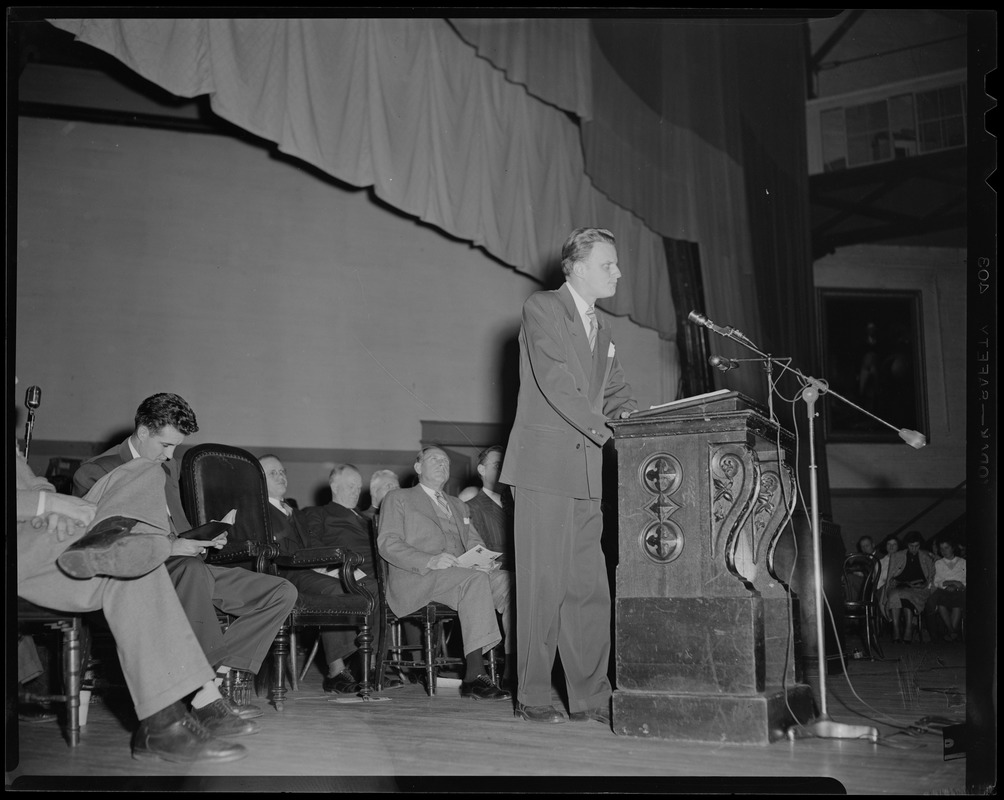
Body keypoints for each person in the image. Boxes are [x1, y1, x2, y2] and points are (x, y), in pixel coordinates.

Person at [72, 393, 297, 721]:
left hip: (188, 566)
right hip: (144, 574)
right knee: (192, 570)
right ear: (144, 432)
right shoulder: (96, 471)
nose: (170, 455)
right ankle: (205, 695)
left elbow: (178, 526)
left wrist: (204, 536)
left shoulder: (166, 464)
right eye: (165, 445)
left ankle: (212, 677)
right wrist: (171, 546)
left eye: (176, 447)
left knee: (281, 592)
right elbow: (101, 544)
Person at [16, 447, 247, 762]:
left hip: (56, 538)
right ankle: (172, 719)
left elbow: (28, 482)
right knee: (139, 558)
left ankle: (163, 724)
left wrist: (50, 502)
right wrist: (45, 504)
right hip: (22, 549)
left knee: (145, 469)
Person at [500, 227, 637, 725]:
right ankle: (533, 695)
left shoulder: (603, 333)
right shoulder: (543, 309)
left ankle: (590, 696)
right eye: (609, 264)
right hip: (544, 469)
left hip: (585, 475)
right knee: (543, 586)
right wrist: (606, 432)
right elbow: (556, 382)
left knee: (588, 589)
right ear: (577, 266)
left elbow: (619, 396)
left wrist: (646, 431)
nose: (618, 273)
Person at [377, 446, 512, 700]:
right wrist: (430, 560)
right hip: (419, 576)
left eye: (446, 461)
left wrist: (486, 562)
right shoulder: (398, 498)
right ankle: (474, 674)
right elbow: (388, 543)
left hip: (459, 575)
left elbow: (474, 545)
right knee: (474, 580)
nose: (442, 464)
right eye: (435, 459)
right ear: (418, 468)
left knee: (508, 582)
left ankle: (512, 670)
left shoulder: (458, 505)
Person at [261, 456, 385, 692]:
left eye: (282, 471)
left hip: (312, 568)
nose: (281, 476)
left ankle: (366, 666)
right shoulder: (262, 510)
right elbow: (310, 548)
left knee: (371, 589)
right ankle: (337, 670)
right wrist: (330, 566)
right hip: (286, 572)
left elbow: (310, 546)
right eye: (273, 473)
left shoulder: (295, 513)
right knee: (339, 589)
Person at [880, 530, 935, 644]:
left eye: (917, 546)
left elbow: (931, 578)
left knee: (905, 595)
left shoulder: (926, 557)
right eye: (911, 546)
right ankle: (896, 629)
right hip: (899, 586)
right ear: (906, 545)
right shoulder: (897, 556)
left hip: (918, 590)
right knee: (895, 595)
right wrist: (894, 582)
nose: (914, 549)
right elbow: (891, 576)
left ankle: (908, 629)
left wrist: (924, 584)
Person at [926, 538, 966, 642]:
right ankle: (952, 631)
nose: (944, 551)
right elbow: (937, 581)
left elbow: (965, 580)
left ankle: (950, 632)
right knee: (940, 604)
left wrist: (958, 585)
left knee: (957, 605)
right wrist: (951, 583)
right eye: (941, 548)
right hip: (944, 590)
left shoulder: (963, 562)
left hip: (959, 591)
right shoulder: (938, 563)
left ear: (952, 548)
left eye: (946, 547)